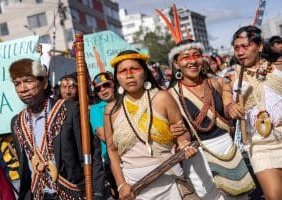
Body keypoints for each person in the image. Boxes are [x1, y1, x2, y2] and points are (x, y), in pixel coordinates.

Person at [157, 5, 254, 199]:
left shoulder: (217, 83)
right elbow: (167, 128)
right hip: (197, 155)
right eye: (185, 57)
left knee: (240, 196)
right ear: (176, 63)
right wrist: (174, 134)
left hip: (227, 147)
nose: (192, 61)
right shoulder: (170, 95)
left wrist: (231, 106)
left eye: (196, 55)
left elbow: (228, 102)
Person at [104, 50, 197, 200]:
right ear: (117, 78)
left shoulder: (162, 98)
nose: (129, 75)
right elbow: (112, 149)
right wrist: (121, 185)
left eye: (135, 69)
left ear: (145, 72)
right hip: (134, 187)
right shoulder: (111, 110)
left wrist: (184, 144)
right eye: (123, 71)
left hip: (170, 180)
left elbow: (182, 134)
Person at [9, 58, 105, 199]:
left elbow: (92, 153)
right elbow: (25, 168)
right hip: (39, 195)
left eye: (28, 81)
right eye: (17, 84)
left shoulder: (69, 110)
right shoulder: (17, 122)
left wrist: (97, 194)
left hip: (71, 193)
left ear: (44, 83)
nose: (23, 89)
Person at [231, 25, 282, 200]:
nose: (240, 51)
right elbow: (225, 99)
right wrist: (231, 106)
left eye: (245, 46)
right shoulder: (231, 76)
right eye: (237, 47)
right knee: (275, 196)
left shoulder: (277, 68)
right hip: (259, 146)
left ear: (259, 47)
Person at [90, 71, 118, 199]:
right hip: (113, 161)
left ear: (114, 84)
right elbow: (103, 135)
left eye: (106, 85)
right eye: (98, 88)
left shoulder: (128, 100)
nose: (103, 90)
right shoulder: (96, 109)